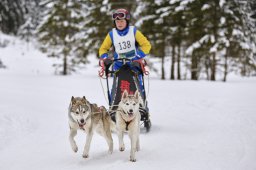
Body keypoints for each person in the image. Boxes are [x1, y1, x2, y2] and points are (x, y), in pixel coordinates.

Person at [98, 8, 151, 124]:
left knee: (138, 86)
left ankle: (142, 107)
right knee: (117, 88)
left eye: (122, 21)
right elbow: (103, 49)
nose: (119, 23)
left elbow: (146, 45)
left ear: (126, 21)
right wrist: (105, 58)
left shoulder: (134, 31)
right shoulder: (112, 34)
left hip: (134, 65)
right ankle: (114, 108)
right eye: (117, 22)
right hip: (118, 65)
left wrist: (138, 56)